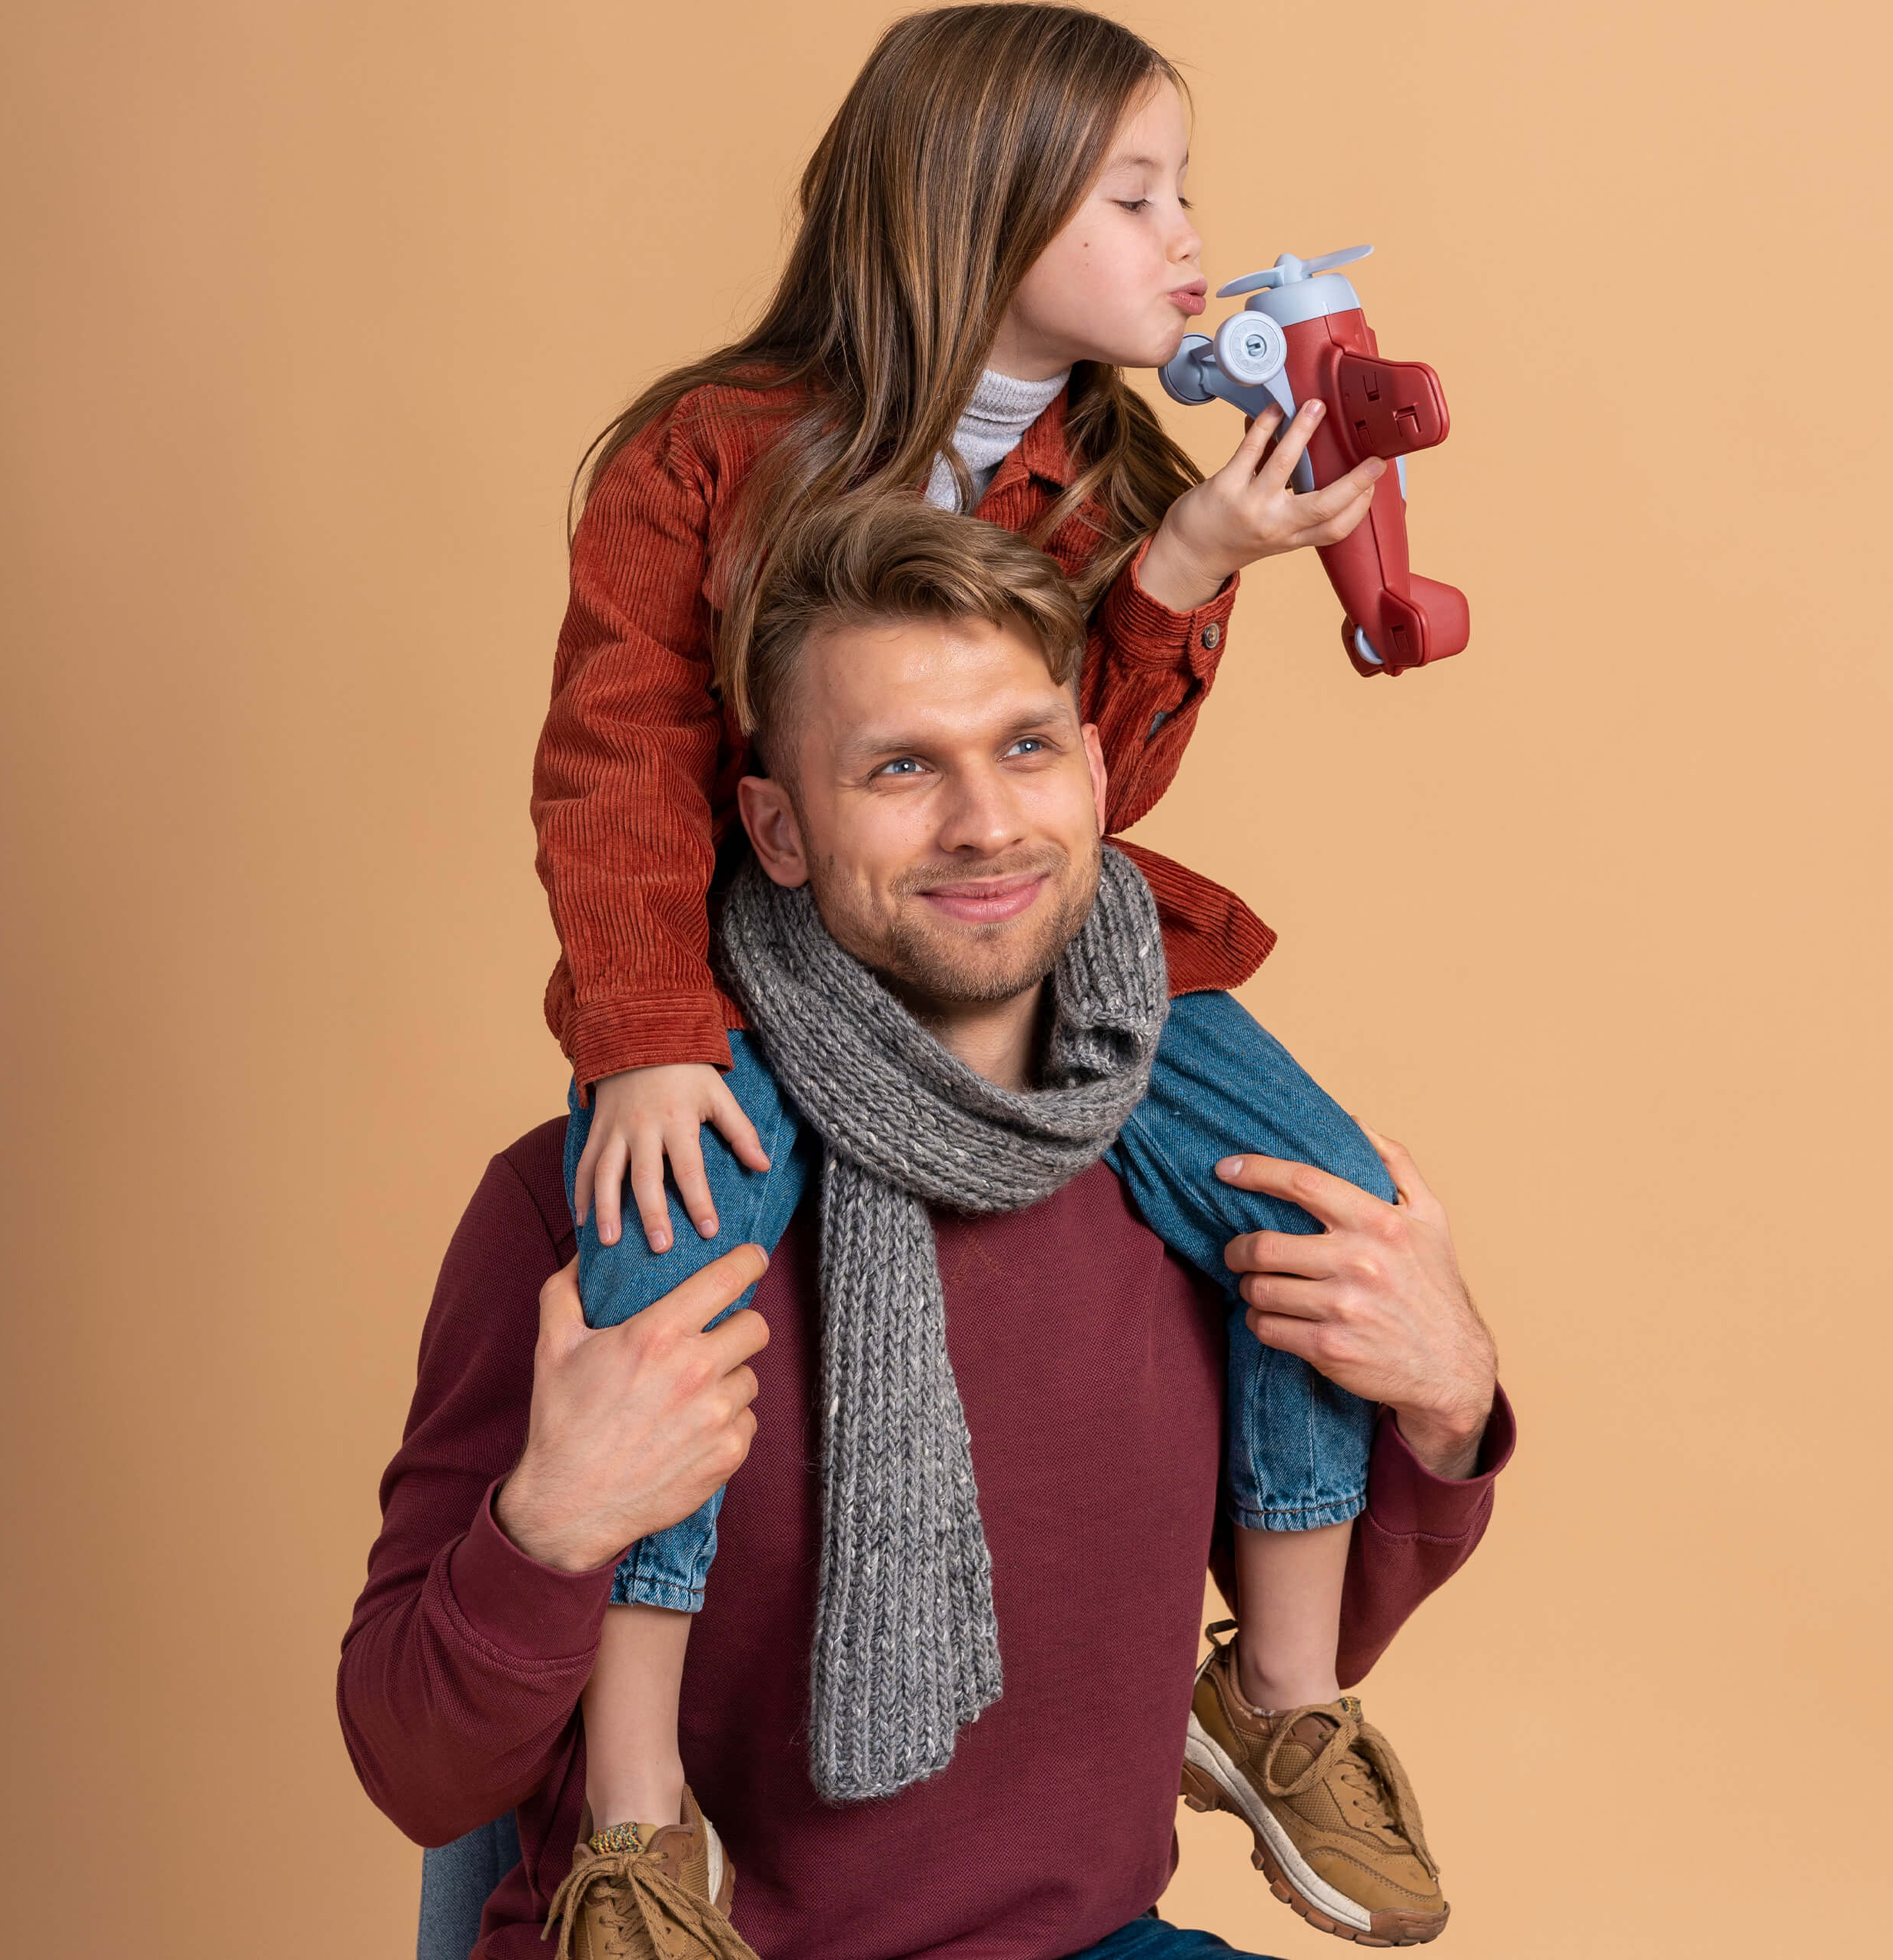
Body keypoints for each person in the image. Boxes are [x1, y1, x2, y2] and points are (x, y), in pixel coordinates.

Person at [527, 8, 1409, 1945]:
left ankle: (1277, 1699)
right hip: (760, 951)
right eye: (1135, 194)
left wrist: (1186, 560)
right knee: (669, 1243)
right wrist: (659, 1040)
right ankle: (634, 1821)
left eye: (1186, 189)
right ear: (979, 206)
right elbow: (617, 760)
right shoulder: (711, 453)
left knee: (1323, 1196)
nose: (1189, 237)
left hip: (1046, 957)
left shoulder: (1115, 467)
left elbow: (1060, 806)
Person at [345, 500, 1512, 1960]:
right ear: (776, 825)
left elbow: (1298, 1667)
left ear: (1096, 770)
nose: (984, 823)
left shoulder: (1195, 1175)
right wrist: (550, 1522)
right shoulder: (618, 1202)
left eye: (1025, 747)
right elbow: (417, 1767)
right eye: (901, 766)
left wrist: (1451, 1400)